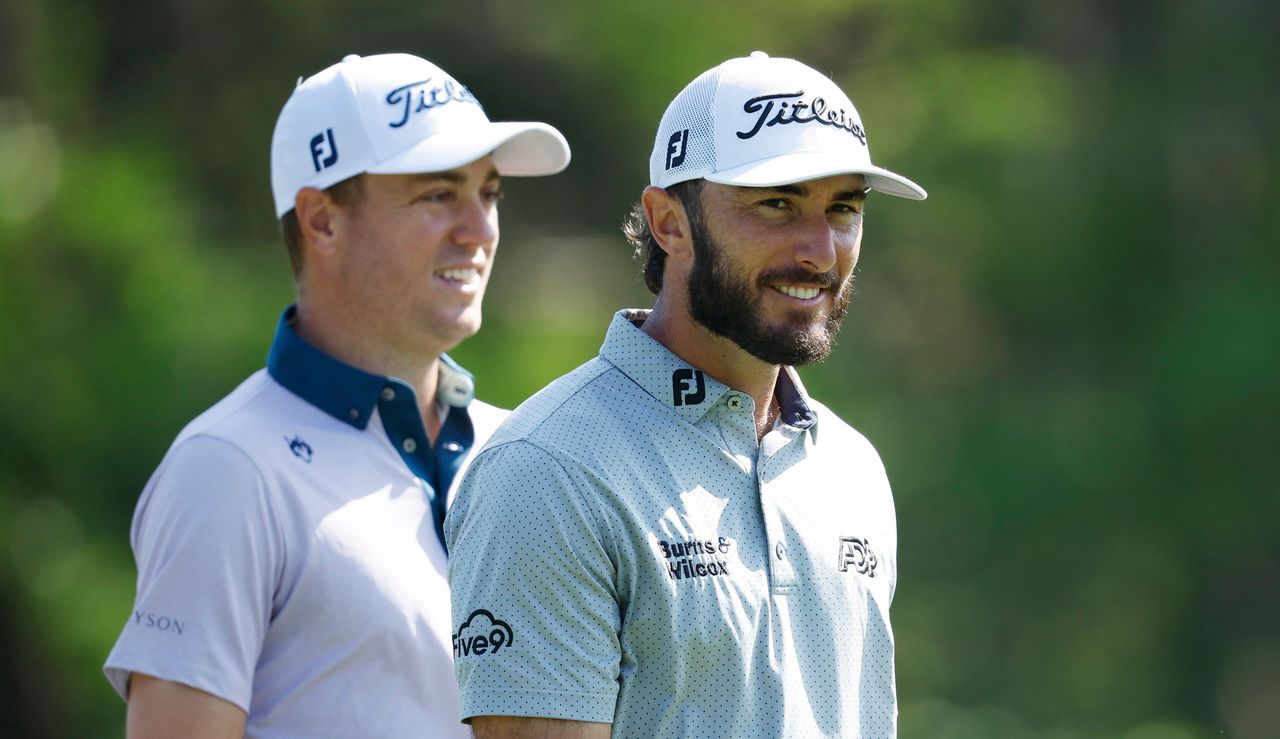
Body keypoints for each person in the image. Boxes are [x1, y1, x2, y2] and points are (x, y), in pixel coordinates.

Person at [445, 51, 926, 738]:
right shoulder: (545, 470)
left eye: (843, 208)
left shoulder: (852, 468)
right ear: (669, 222)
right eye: (777, 204)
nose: (820, 250)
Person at [103, 52, 570, 737]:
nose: (480, 230)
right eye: (439, 194)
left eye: (490, 193)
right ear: (321, 220)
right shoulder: (227, 468)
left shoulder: (524, 451)